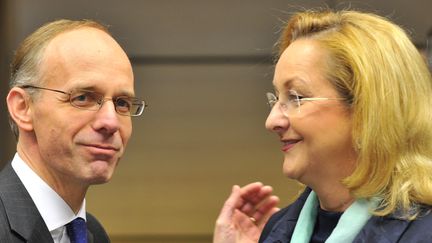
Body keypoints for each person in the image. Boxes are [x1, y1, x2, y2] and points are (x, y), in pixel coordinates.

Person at [214, 9, 432, 243]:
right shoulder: (277, 230)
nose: (272, 121)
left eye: (296, 97)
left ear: (367, 109)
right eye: (276, 98)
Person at [0, 19, 146, 243]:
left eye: (122, 103)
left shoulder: (93, 233)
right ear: (23, 108)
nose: (111, 121)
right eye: (83, 98)